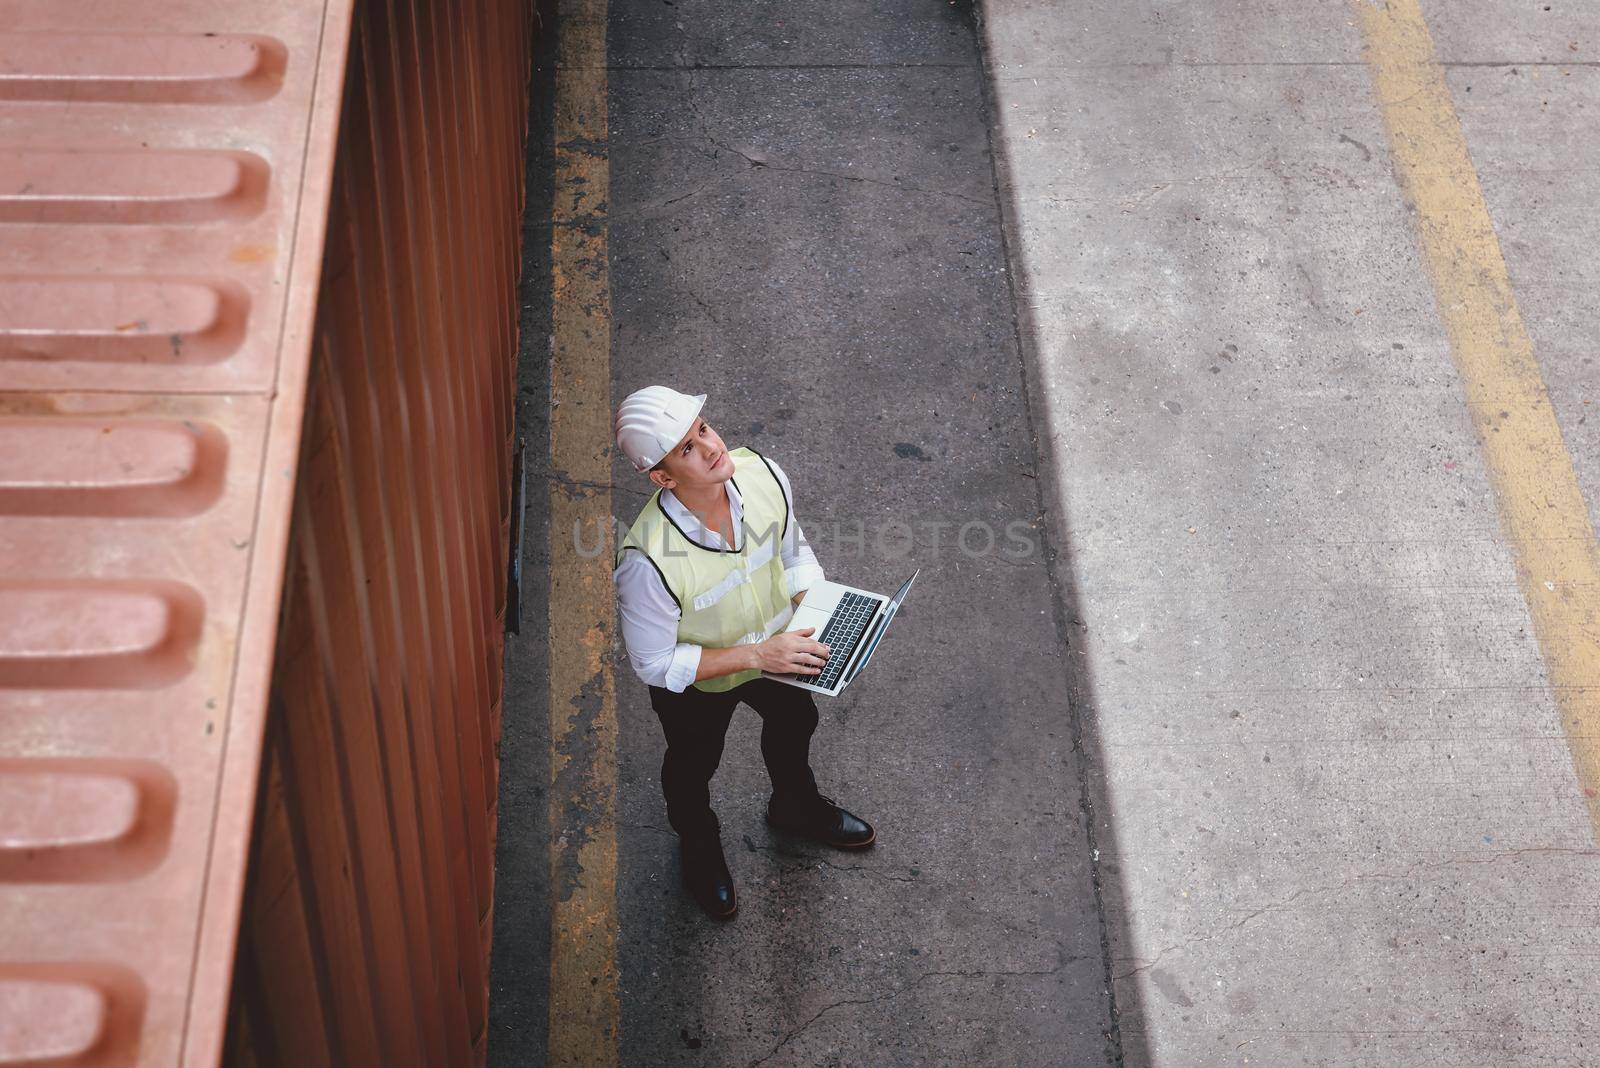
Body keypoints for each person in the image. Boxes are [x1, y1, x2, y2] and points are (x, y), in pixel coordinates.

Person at [613, 385, 875, 920]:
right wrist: (758, 656)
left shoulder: (763, 475)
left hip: (776, 647)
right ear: (662, 478)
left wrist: (810, 597)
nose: (710, 448)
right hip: (701, 682)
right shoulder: (646, 563)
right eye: (686, 449)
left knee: (796, 719)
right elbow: (654, 664)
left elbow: (791, 547)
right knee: (692, 767)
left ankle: (794, 807)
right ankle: (700, 849)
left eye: (703, 430)